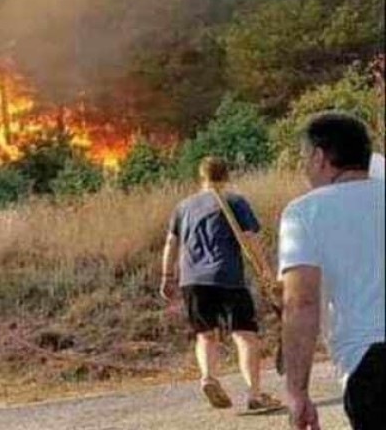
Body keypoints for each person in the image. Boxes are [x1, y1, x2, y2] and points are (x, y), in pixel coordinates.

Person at [278, 112, 384, 430]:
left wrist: (297, 392)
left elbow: (301, 303)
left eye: (304, 158)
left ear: (319, 156)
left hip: (372, 363)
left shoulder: (306, 211)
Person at [160, 157, 283, 412]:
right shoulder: (235, 201)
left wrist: (167, 276)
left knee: (205, 335)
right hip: (227, 277)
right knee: (244, 334)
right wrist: (267, 274)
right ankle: (254, 394)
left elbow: (171, 244)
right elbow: (250, 240)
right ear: (226, 176)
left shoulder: (183, 206)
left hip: (192, 279)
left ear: (201, 177)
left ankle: (208, 377)